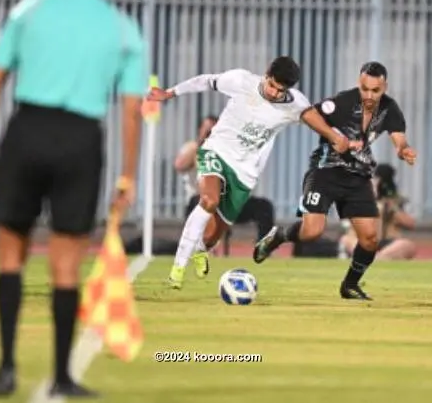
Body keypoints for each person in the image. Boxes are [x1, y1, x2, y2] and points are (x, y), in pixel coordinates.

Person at [0, 0, 146, 398]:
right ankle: (63, 377)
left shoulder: (29, 10)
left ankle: (6, 368)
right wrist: (127, 176)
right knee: (66, 266)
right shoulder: (123, 27)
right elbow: (131, 110)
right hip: (81, 140)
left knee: (11, 256)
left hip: (27, 130)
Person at [147, 56, 361, 289]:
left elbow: (314, 119)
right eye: (271, 85)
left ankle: (201, 249)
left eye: (281, 90)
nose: (274, 93)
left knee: (212, 236)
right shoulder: (240, 81)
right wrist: (170, 92)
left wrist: (338, 139)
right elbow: (207, 81)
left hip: (245, 172)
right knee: (208, 200)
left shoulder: (295, 104)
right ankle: (176, 272)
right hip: (217, 151)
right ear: (266, 74)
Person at [253, 61, 417, 301]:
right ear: (359, 84)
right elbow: (309, 115)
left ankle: (350, 285)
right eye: (365, 88)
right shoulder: (342, 102)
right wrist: (333, 136)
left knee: (370, 239)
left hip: (358, 175)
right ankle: (278, 236)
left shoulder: (390, 109)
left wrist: (404, 149)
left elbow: (398, 138)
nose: (369, 95)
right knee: (312, 232)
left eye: (375, 90)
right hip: (325, 171)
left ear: (385, 87)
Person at [175, 115, 277, 259]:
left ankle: (263, 252)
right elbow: (179, 165)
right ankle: (191, 249)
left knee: (264, 206)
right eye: (208, 129)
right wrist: (201, 142)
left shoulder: (231, 148)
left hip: (229, 199)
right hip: (203, 201)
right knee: (196, 202)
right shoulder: (192, 147)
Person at [339, 163, 417, 260]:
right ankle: (371, 257)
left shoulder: (398, 201)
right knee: (346, 240)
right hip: (365, 242)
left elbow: (411, 224)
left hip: (388, 243)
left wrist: (393, 207)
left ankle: (377, 258)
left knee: (407, 245)